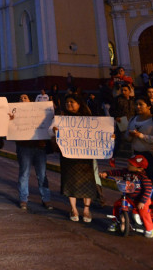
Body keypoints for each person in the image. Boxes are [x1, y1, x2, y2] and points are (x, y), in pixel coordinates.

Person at [53, 94, 97, 222]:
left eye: (72, 102)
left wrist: (109, 138)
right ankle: (73, 209)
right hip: (68, 156)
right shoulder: (62, 118)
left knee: (87, 182)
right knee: (70, 181)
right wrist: (55, 131)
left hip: (85, 156)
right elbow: (51, 133)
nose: (69, 104)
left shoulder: (89, 119)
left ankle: (86, 210)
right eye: (67, 102)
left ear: (79, 104)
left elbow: (97, 133)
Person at [100, 155, 153, 238]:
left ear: (139, 169)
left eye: (131, 164)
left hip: (141, 199)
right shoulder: (126, 172)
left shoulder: (143, 177)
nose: (128, 165)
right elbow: (117, 172)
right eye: (129, 163)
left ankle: (150, 228)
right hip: (129, 197)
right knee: (117, 205)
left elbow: (148, 190)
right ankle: (116, 221)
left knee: (144, 212)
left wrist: (142, 201)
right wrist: (107, 173)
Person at [13, 93, 52, 211]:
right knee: (24, 174)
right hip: (23, 147)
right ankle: (23, 199)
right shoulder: (14, 114)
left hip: (39, 147)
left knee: (42, 175)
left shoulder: (38, 112)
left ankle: (46, 199)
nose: (23, 99)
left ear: (30, 100)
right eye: (20, 98)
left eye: (25, 97)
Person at [125, 97, 153, 202]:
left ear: (148, 106)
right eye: (136, 104)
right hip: (137, 156)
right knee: (140, 182)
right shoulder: (133, 119)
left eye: (141, 104)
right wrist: (130, 136)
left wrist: (142, 136)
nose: (137, 107)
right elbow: (127, 137)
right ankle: (143, 204)